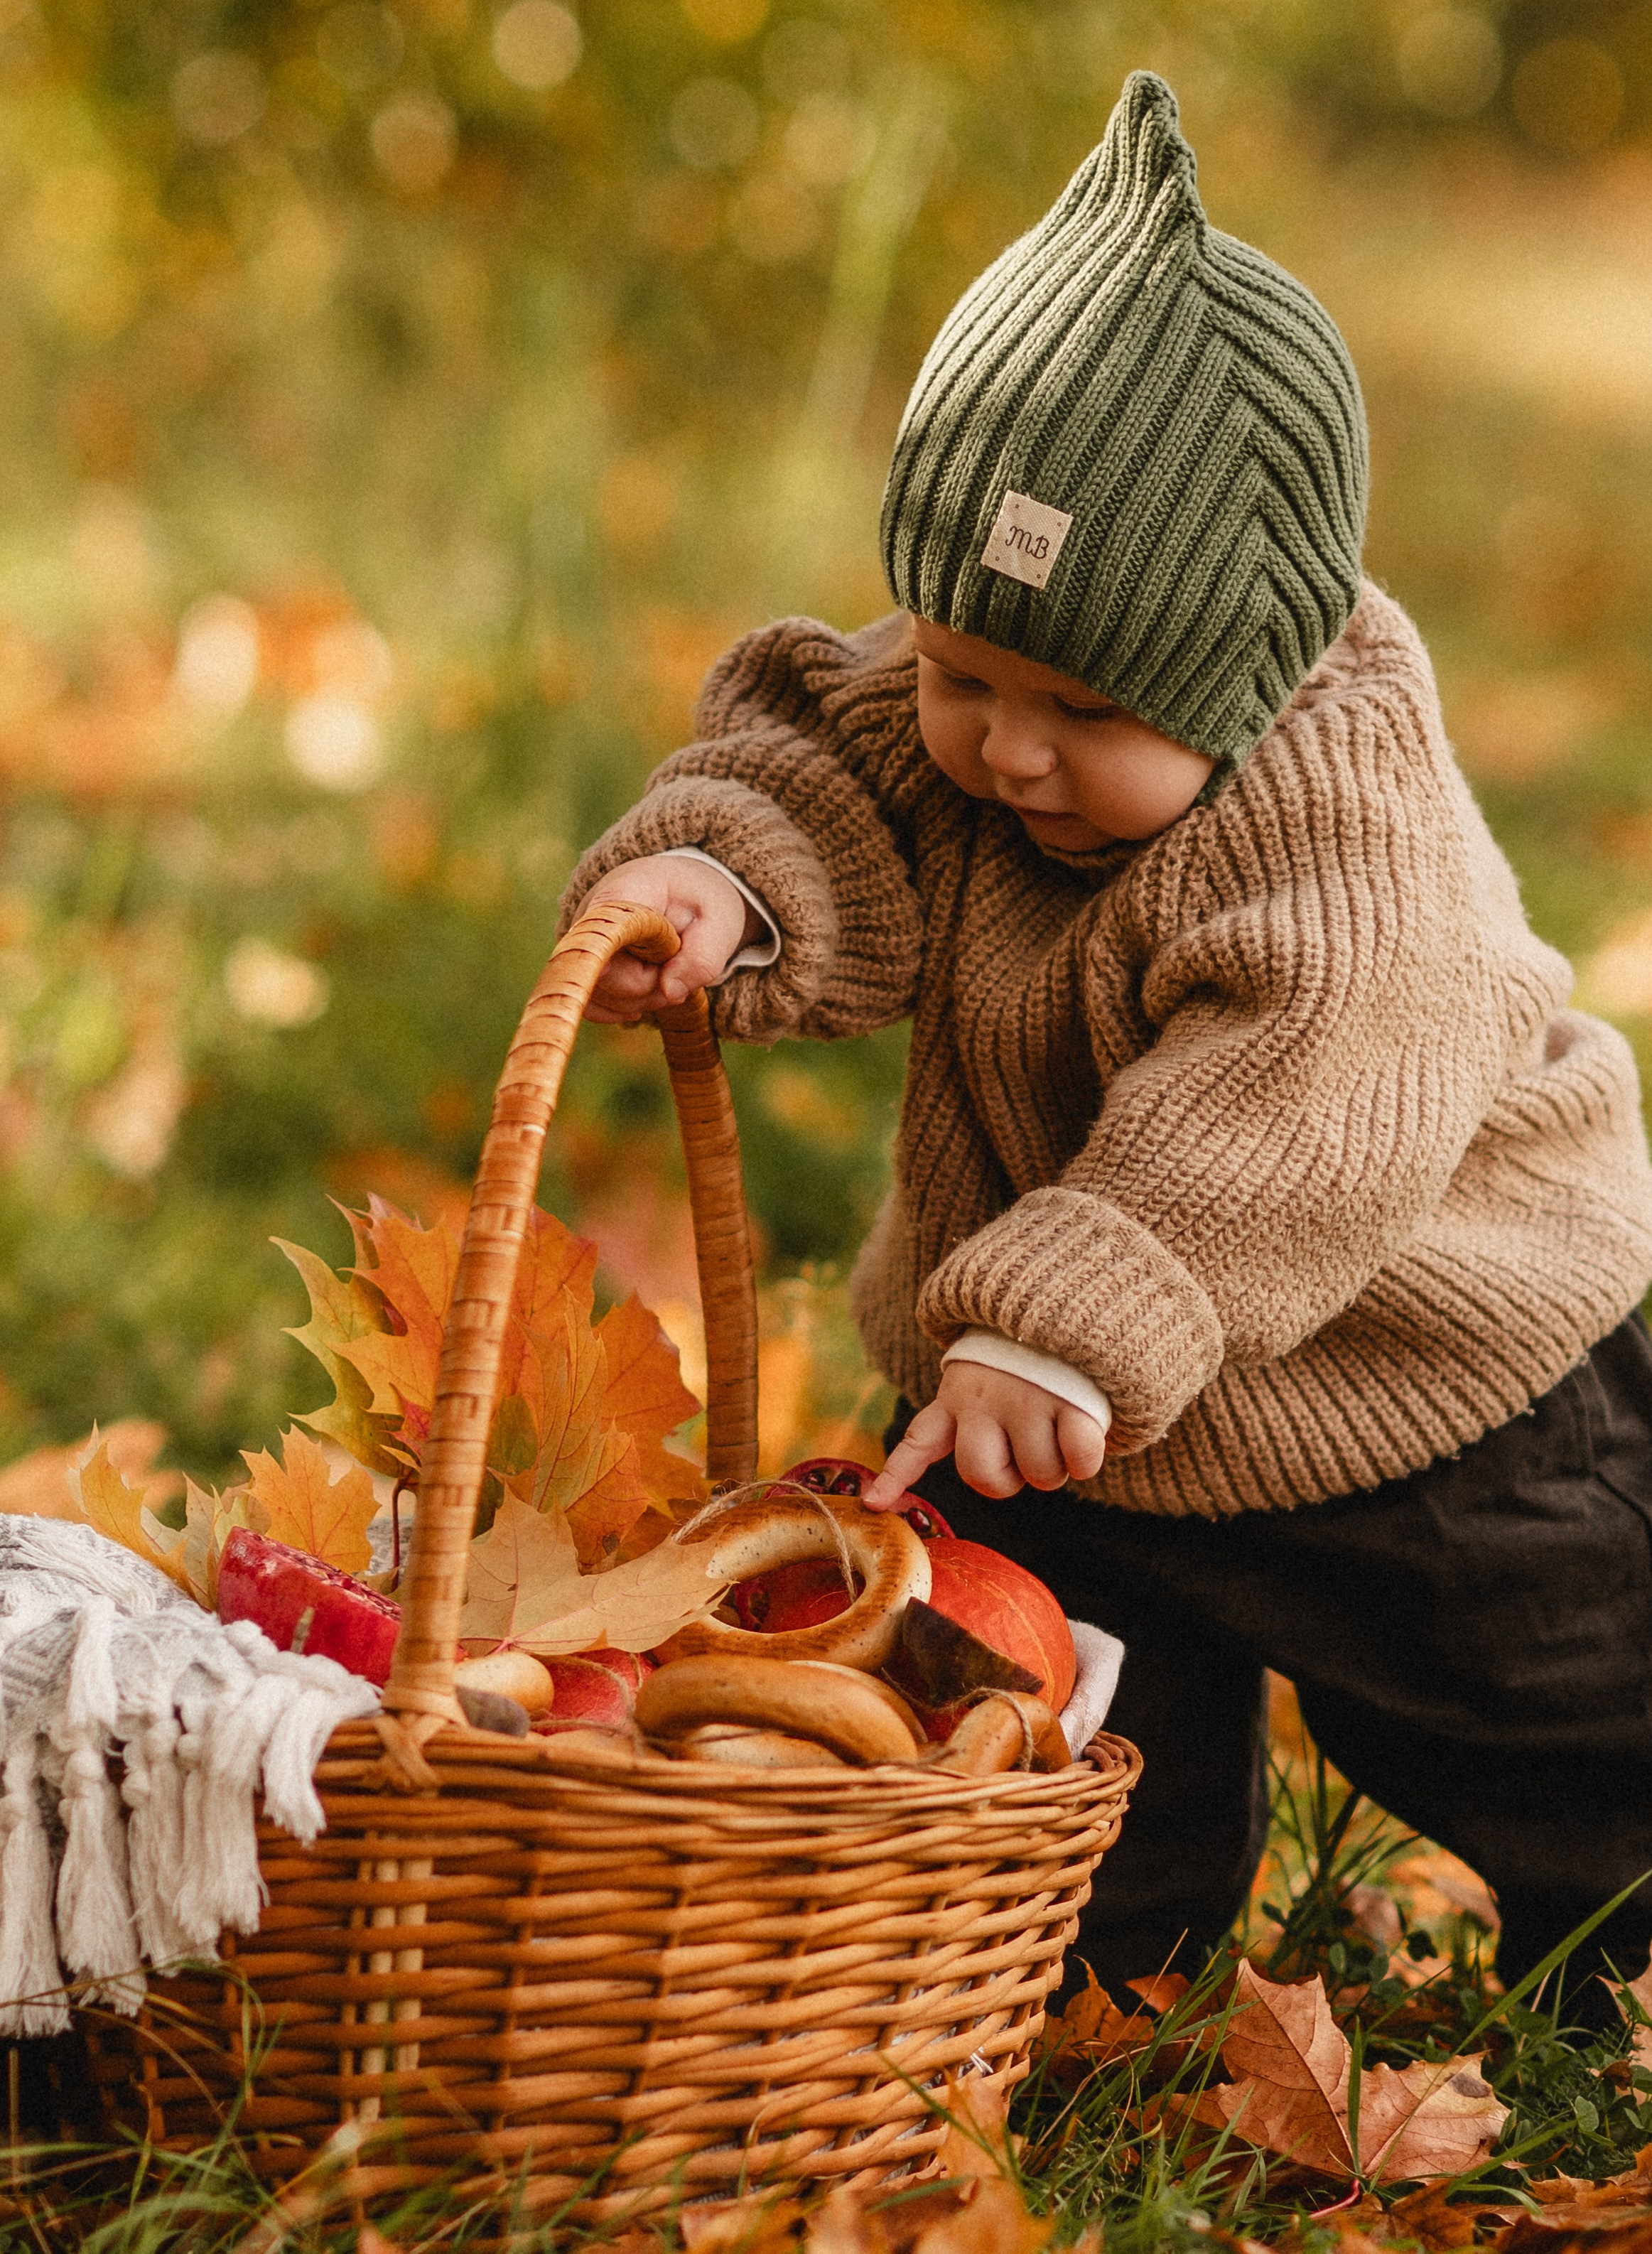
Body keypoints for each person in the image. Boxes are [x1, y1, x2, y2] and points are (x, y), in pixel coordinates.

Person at [561, 72, 1652, 2006]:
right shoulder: (971, 699)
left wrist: (1063, 1308)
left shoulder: (1344, 825)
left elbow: (1307, 1098)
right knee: (1041, 1696)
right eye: (967, 668)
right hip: (1050, 1400)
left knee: (1545, 1718)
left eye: (1074, 705)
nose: (1004, 741)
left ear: (1252, 664)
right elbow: (830, 764)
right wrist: (727, 879)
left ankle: (1625, 1941)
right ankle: (1078, 1960)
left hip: (1418, 1390)